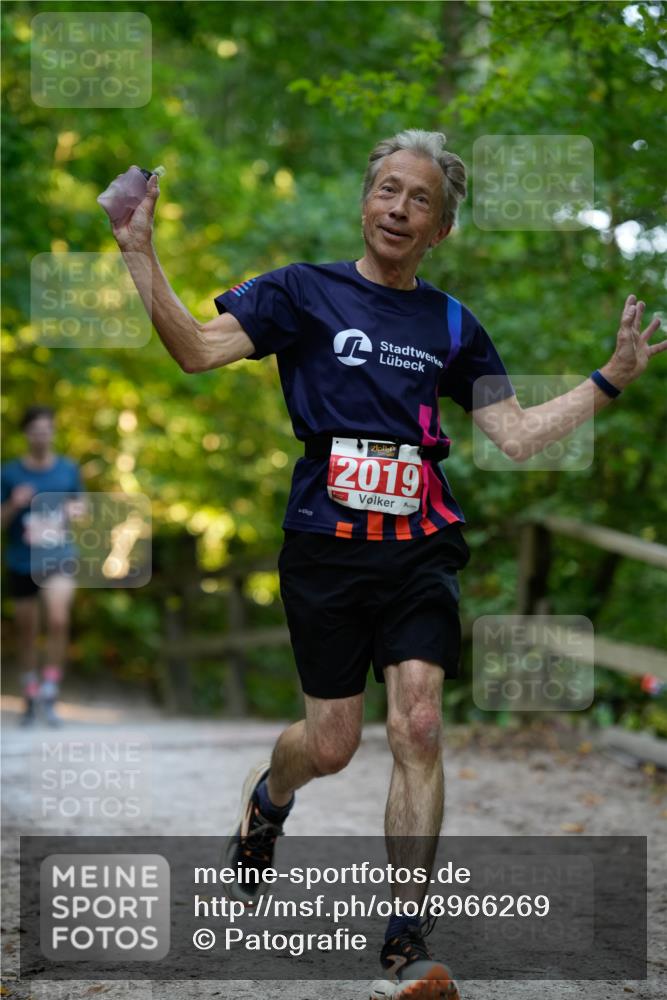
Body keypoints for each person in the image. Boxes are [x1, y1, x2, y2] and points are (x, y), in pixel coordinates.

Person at [108, 129, 664, 999]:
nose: (399, 209)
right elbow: (195, 350)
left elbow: (513, 437)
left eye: (420, 202)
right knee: (330, 745)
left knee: (418, 725)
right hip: (324, 549)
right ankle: (269, 800)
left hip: (418, 546)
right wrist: (142, 256)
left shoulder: (451, 323)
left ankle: (406, 943)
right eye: (387, 192)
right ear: (365, 201)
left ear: (441, 229)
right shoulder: (300, 292)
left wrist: (609, 379)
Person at [1, 406, 84, 727]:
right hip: (22, 560)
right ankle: (29, 692)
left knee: (59, 619)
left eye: (46, 429)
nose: (41, 435)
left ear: (53, 431)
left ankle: (50, 689)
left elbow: (81, 505)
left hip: (59, 556)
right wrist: (14, 504)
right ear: (26, 433)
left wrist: (75, 510)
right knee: (26, 630)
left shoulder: (67, 469)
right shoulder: (8, 474)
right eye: (35, 430)